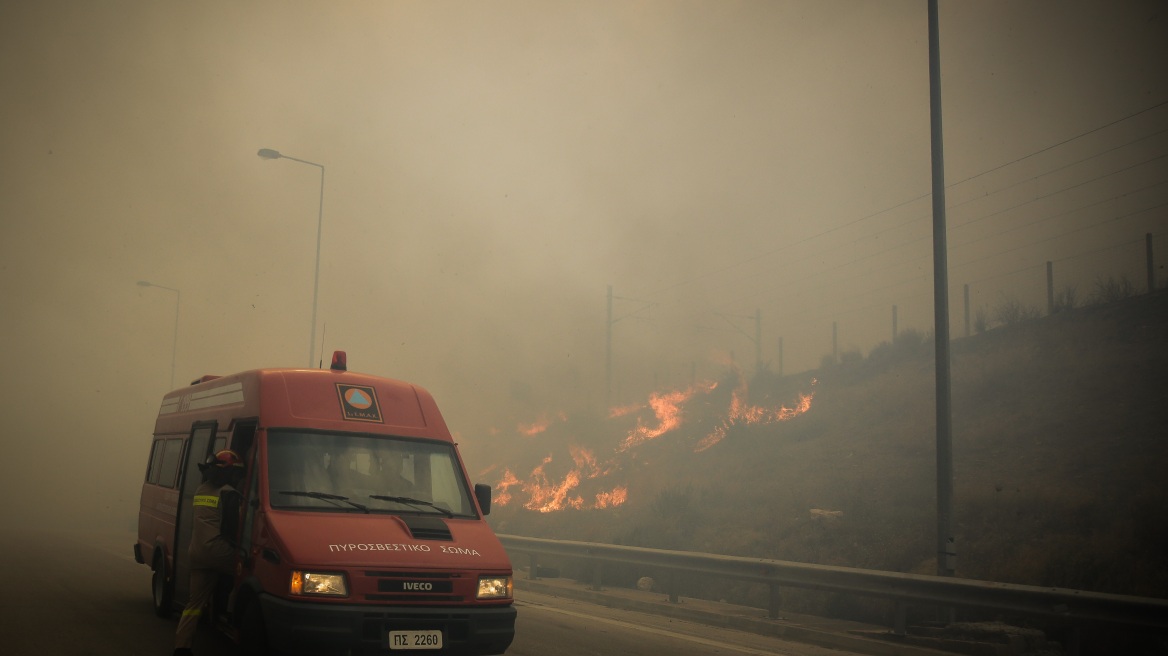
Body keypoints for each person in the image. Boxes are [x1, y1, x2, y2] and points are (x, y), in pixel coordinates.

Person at [173, 449, 245, 656]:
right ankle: (233, 618)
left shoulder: (200, 490)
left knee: (194, 603)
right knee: (248, 572)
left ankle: (181, 648)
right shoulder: (229, 493)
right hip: (218, 552)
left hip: (196, 552)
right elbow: (233, 530)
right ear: (230, 473)